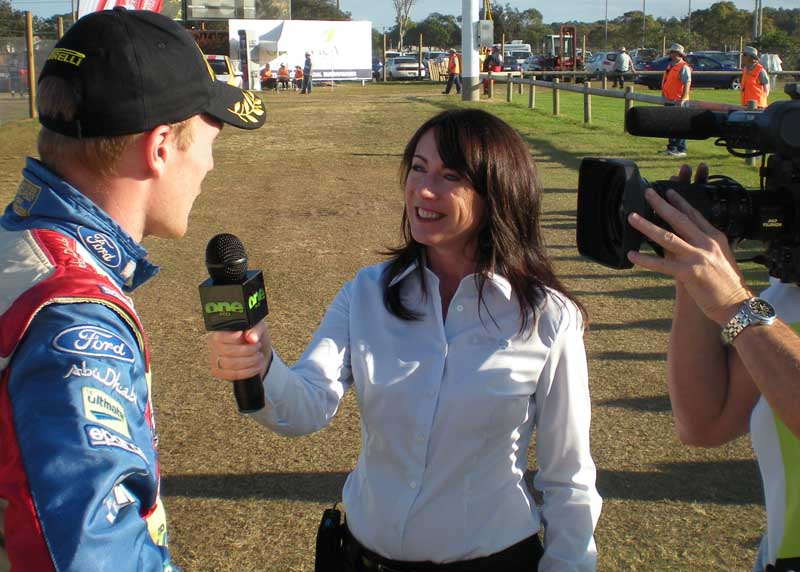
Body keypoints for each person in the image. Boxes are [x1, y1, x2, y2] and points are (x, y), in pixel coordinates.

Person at [206, 108, 602, 571]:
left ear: (497, 194)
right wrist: (261, 361)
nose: (423, 190)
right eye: (418, 167)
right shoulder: (367, 292)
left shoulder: (548, 319)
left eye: (450, 175)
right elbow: (306, 406)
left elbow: (568, 478)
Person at [0, 8, 265, 571]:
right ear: (161, 146)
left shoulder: (21, 246)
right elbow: (90, 555)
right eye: (209, 140)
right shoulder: (73, 324)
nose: (212, 164)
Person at [627, 164, 800, 572]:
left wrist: (736, 304)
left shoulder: (762, 309)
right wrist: (695, 282)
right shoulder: (787, 297)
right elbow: (707, 423)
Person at [660, 43, 692, 157]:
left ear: (678, 54)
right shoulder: (670, 66)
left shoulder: (683, 67)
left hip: (678, 101)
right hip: (669, 100)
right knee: (670, 125)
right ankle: (672, 148)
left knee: (679, 125)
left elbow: (687, 83)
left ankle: (681, 149)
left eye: (673, 52)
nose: (671, 54)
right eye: (671, 52)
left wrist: (683, 99)